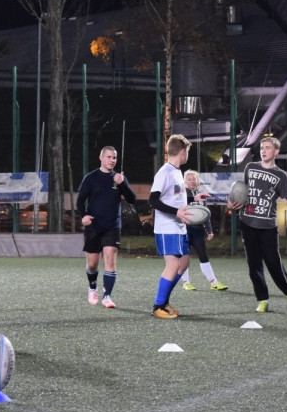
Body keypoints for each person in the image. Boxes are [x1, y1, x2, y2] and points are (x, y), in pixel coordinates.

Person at [229, 135, 287, 313]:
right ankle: (262, 300)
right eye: (262, 148)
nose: (263, 151)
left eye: (268, 148)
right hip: (247, 223)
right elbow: (241, 192)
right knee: (254, 265)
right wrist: (232, 203)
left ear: (276, 151)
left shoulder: (280, 175)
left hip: (267, 227)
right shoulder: (250, 167)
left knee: (274, 264)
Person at [76, 145, 136, 309]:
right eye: (109, 157)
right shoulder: (91, 177)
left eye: (114, 157)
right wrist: (83, 216)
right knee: (92, 264)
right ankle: (92, 287)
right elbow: (80, 201)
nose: (112, 160)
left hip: (112, 226)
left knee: (109, 259)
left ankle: (107, 296)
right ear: (101, 158)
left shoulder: (119, 178)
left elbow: (132, 199)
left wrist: (122, 184)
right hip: (94, 226)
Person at [148, 134, 197, 319]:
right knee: (173, 264)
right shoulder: (165, 172)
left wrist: (194, 199)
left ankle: (165, 301)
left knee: (184, 263)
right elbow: (153, 200)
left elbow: (176, 198)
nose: (187, 155)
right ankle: (158, 306)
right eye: (187, 152)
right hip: (167, 228)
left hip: (179, 227)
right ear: (182, 152)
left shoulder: (177, 172)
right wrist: (176, 212)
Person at [180, 169, 227, 292]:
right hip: (184, 230)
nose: (192, 181)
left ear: (197, 181)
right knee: (184, 257)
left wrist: (209, 231)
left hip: (198, 231)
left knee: (203, 256)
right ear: (185, 181)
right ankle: (186, 283)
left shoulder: (201, 196)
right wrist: (193, 199)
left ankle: (214, 283)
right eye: (189, 179)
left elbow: (205, 215)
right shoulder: (182, 194)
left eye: (194, 179)